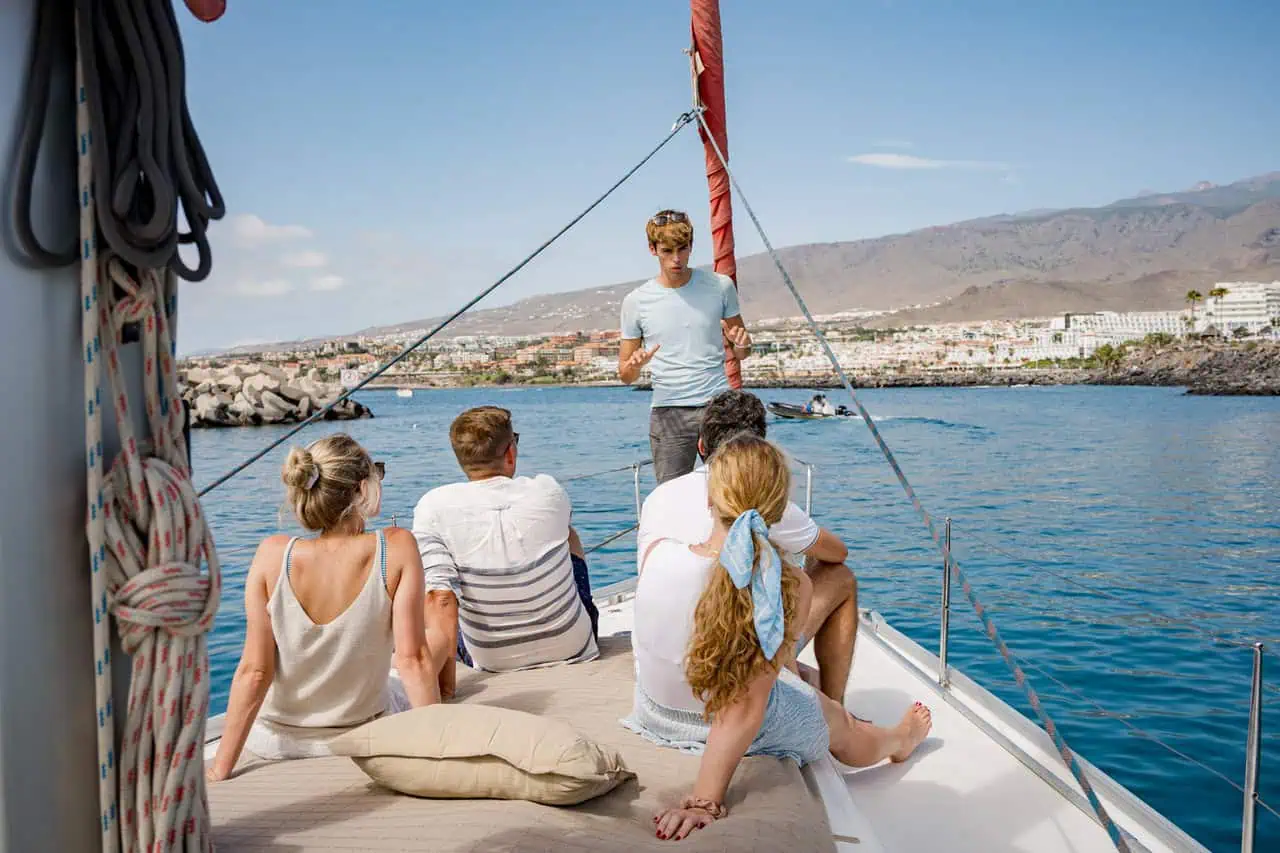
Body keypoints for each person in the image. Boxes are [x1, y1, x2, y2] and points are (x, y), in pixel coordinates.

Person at [624, 433, 932, 842]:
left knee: (792, 688)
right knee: (836, 720)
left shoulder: (659, 551)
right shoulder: (791, 586)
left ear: (709, 500)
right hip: (707, 725)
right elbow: (745, 709)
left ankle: (825, 697)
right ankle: (899, 739)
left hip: (652, 710)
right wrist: (704, 801)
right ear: (778, 509)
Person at [207, 434, 445, 780]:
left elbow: (255, 672)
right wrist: (442, 752)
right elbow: (413, 660)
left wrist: (220, 768)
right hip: (360, 734)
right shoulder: (395, 548)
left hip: (277, 741)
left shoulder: (273, 554)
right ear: (362, 490)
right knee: (434, 640)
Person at [638, 389, 860, 702]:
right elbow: (838, 553)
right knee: (840, 576)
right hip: (731, 669)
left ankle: (806, 679)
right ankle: (834, 707)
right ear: (761, 448)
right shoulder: (761, 500)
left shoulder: (658, 497)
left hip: (664, 679)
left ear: (701, 446)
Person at [411, 405, 600, 674]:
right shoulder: (548, 490)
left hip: (492, 660)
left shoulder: (432, 506)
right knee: (569, 535)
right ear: (510, 453)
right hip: (573, 647)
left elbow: (441, 598)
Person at [618, 209, 753, 484]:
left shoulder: (720, 286)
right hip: (669, 412)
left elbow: (741, 351)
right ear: (652, 249)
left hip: (718, 407)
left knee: (733, 490)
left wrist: (743, 345)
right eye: (667, 251)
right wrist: (635, 366)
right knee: (671, 498)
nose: (676, 259)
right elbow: (625, 374)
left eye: (682, 249)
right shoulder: (636, 301)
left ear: (691, 246)